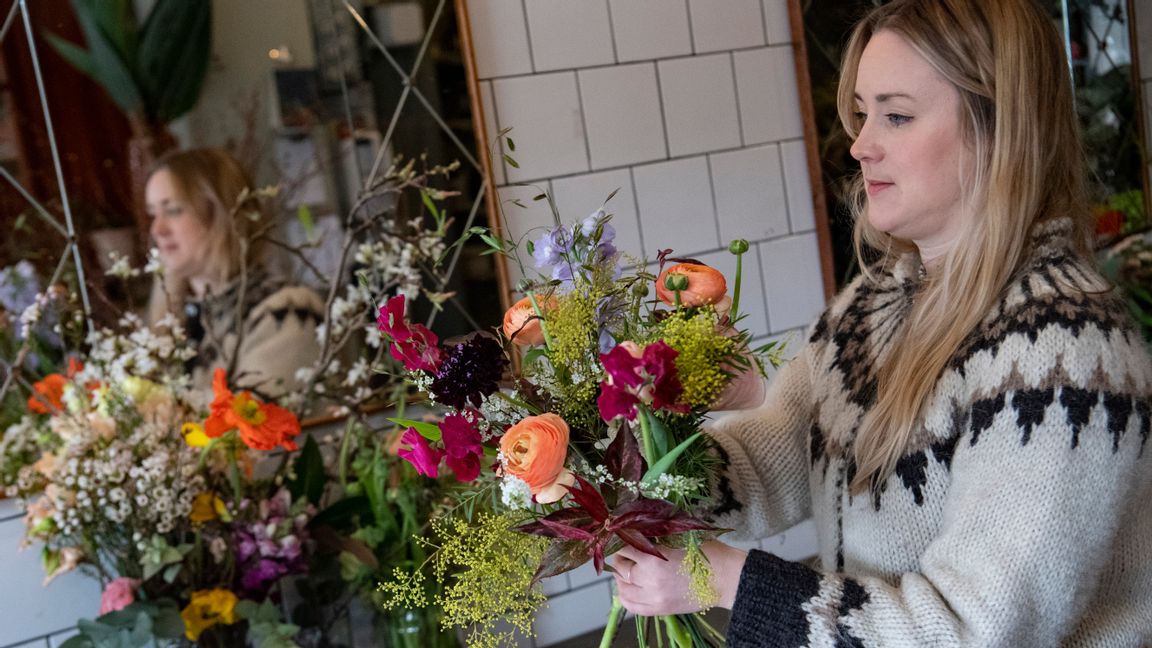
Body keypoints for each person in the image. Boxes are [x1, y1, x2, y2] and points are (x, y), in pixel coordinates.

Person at [611, 0, 1152, 645]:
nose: (861, 145)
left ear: (1001, 130)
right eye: (864, 114)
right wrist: (635, 444)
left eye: (896, 115)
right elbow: (766, 468)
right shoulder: (870, 306)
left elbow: (976, 630)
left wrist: (728, 582)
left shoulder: (1062, 351)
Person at [145, 148, 325, 400]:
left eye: (173, 210)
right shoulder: (179, 322)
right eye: (153, 213)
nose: (157, 229)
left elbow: (254, 426)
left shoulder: (288, 308)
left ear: (220, 211)